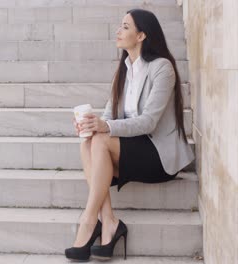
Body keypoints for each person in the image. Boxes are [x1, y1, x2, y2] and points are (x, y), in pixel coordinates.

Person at [64, 8, 195, 261]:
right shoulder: (125, 69)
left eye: (125, 26)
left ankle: (90, 221)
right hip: (133, 150)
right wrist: (90, 124)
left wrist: (105, 127)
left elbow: (148, 122)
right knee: (88, 141)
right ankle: (110, 221)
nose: (118, 31)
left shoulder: (162, 68)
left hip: (158, 156)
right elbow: (108, 115)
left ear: (142, 35)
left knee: (101, 138)